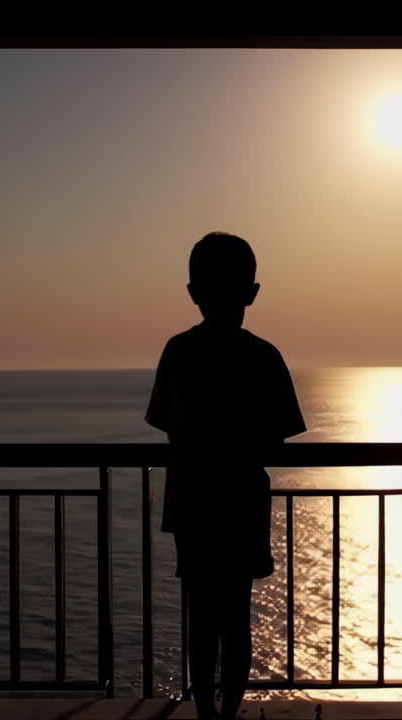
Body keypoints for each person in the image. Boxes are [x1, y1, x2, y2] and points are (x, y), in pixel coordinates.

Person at [146, 232, 307, 720]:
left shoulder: (178, 352)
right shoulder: (264, 357)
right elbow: (277, 440)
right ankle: (230, 714)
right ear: (252, 292)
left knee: (201, 616)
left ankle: (204, 715)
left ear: (193, 292)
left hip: (193, 501)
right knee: (236, 614)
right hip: (241, 502)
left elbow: (168, 424)